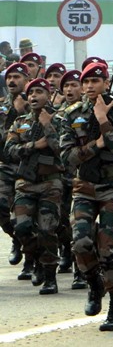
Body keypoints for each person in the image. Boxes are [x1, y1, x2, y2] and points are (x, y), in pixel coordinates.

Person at [60, 59, 113, 330]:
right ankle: (94, 283)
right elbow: (67, 156)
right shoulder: (71, 114)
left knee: (108, 249)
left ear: (106, 83)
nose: (90, 86)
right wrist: (97, 144)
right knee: (80, 243)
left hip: (112, 188)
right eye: (86, 82)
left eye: (96, 81)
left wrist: (103, 119)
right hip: (84, 187)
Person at [6, 78, 64, 295]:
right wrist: (34, 145)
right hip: (25, 183)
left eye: (39, 92)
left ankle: (50, 275)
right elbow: (10, 149)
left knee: (47, 228)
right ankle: (37, 258)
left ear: (48, 95)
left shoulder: (59, 120)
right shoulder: (20, 122)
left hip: (51, 182)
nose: (34, 96)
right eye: (31, 93)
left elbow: (61, 147)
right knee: (20, 227)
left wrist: (48, 127)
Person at [1, 62, 31, 277]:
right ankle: (17, 240)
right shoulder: (2, 107)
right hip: (6, 166)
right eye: (9, 77)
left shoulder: (39, 106)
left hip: (32, 170)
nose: (12, 81)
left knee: (29, 219)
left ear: (27, 81)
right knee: (2, 208)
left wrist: (23, 111)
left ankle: (33, 258)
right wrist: (13, 113)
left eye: (17, 77)